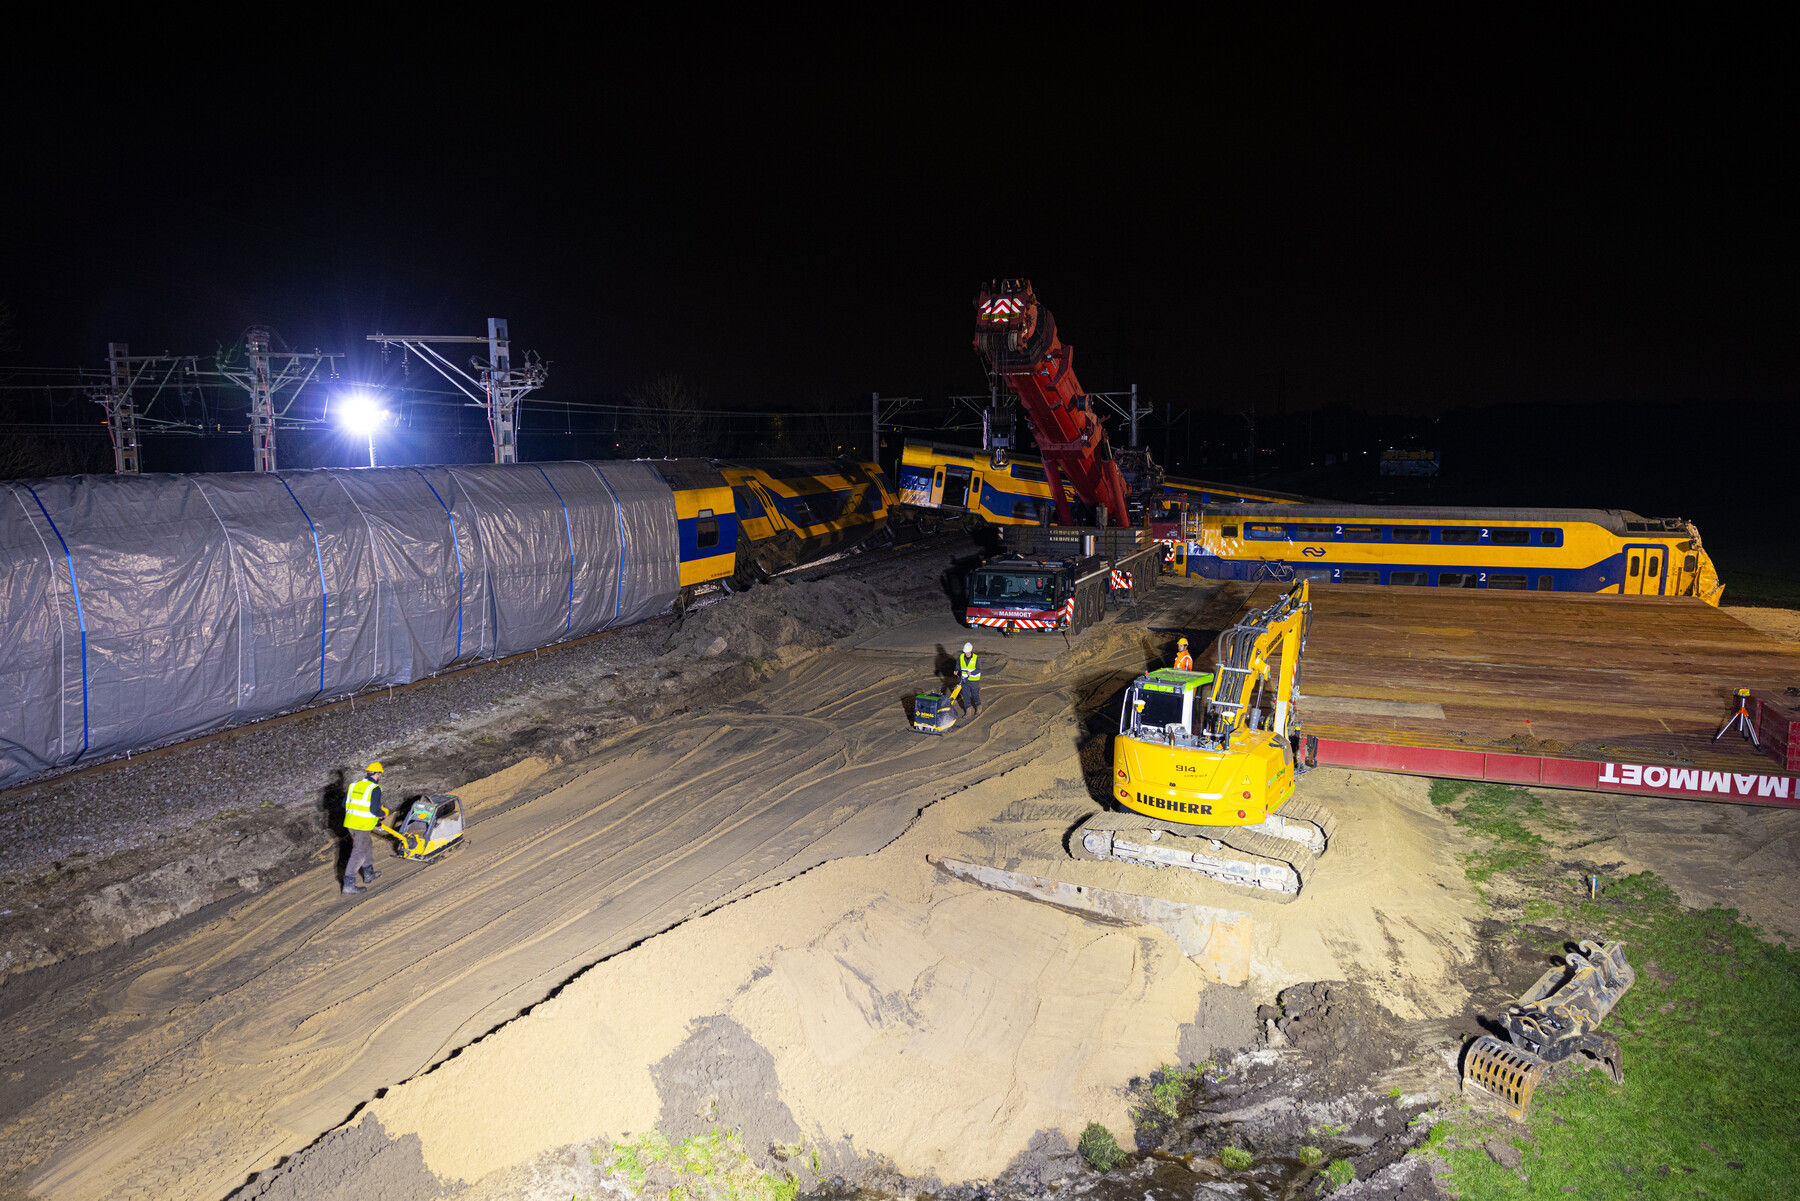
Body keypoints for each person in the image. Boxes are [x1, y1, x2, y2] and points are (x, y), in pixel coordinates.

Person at [342, 762, 389, 895]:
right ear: (378, 774)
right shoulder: (374, 788)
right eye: (380, 774)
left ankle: (369, 874)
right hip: (362, 825)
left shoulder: (354, 785)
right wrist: (383, 814)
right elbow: (374, 809)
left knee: (366, 845)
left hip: (351, 823)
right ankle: (349, 885)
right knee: (359, 853)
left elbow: (344, 803)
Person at [957, 642, 981, 716]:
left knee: (975, 695)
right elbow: (958, 665)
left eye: (967, 652)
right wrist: (956, 670)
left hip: (974, 681)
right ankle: (968, 711)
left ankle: (978, 707)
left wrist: (972, 673)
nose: (966, 653)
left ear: (971, 650)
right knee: (965, 695)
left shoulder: (976, 658)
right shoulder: (961, 657)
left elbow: (978, 669)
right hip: (965, 680)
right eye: (965, 652)